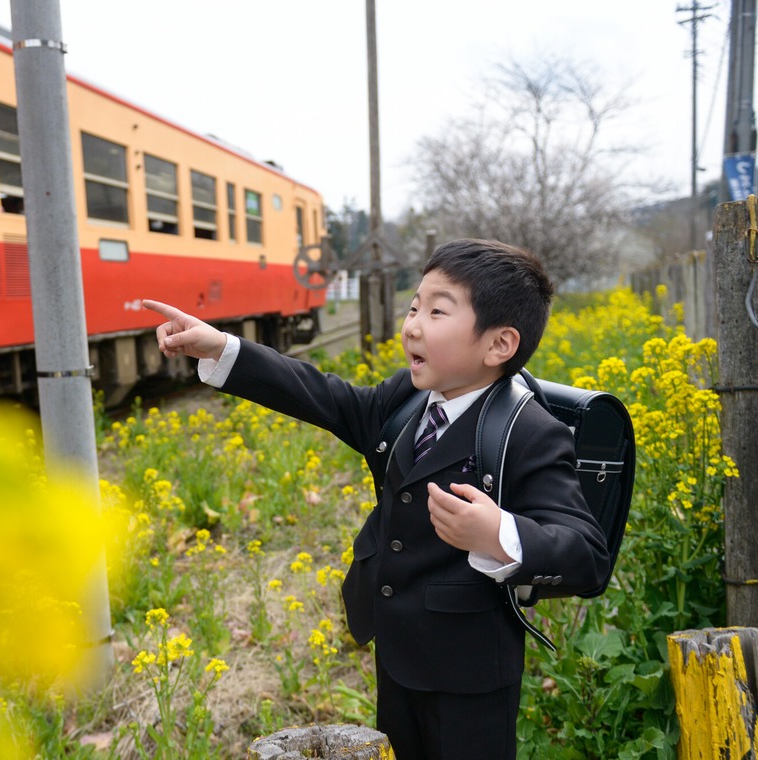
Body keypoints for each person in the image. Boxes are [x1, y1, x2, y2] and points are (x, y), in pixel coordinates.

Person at [143, 238, 609, 760]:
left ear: (498, 345)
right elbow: (329, 398)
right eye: (414, 306)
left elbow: (587, 556)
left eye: (437, 311)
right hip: (396, 647)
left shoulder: (528, 432)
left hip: (470, 676)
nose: (411, 324)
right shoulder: (408, 398)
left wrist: (498, 534)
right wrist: (224, 350)